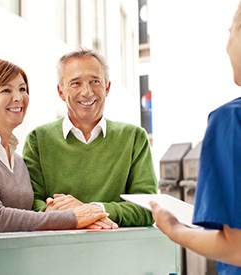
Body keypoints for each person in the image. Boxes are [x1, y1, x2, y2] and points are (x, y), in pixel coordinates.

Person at [0, 58, 111, 234]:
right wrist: (74, 218)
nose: (18, 97)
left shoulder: (17, 160)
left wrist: (54, 210)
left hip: (15, 259)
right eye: (6, 90)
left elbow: (26, 216)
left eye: (23, 89)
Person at [149, 2, 241, 274]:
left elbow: (235, 248)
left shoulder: (230, 120)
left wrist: (175, 229)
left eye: (230, 32)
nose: (227, 47)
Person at [23, 47, 158, 227]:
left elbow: (147, 208)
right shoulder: (38, 139)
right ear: (61, 92)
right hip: (56, 251)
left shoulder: (134, 138)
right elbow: (31, 204)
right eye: (76, 83)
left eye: (95, 81)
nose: (87, 92)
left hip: (119, 251)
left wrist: (93, 210)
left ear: (107, 87)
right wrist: (75, 217)